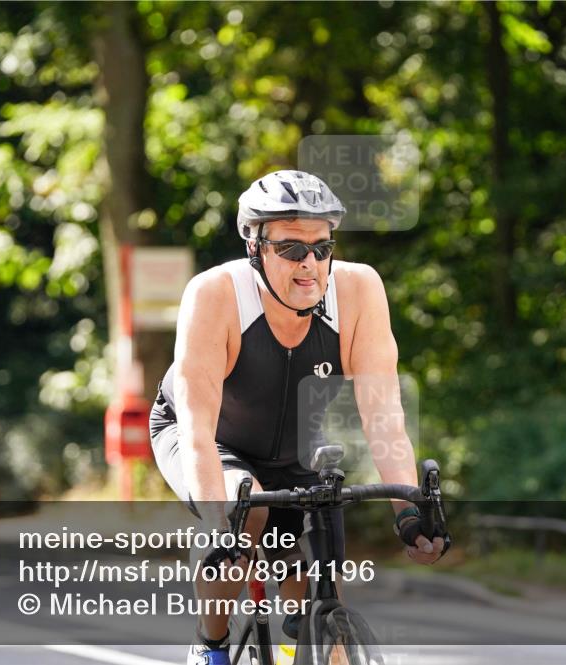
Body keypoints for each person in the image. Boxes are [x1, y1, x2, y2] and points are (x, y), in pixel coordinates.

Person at [150, 170, 447, 664]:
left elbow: (384, 416)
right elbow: (198, 431)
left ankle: (298, 645)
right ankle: (211, 645)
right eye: (291, 249)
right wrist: (222, 525)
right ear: (255, 248)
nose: (310, 264)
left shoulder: (358, 290)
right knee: (247, 514)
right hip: (205, 436)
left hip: (295, 445)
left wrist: (409, 512)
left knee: (311, 576)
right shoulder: (215, 295)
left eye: (322, 248)